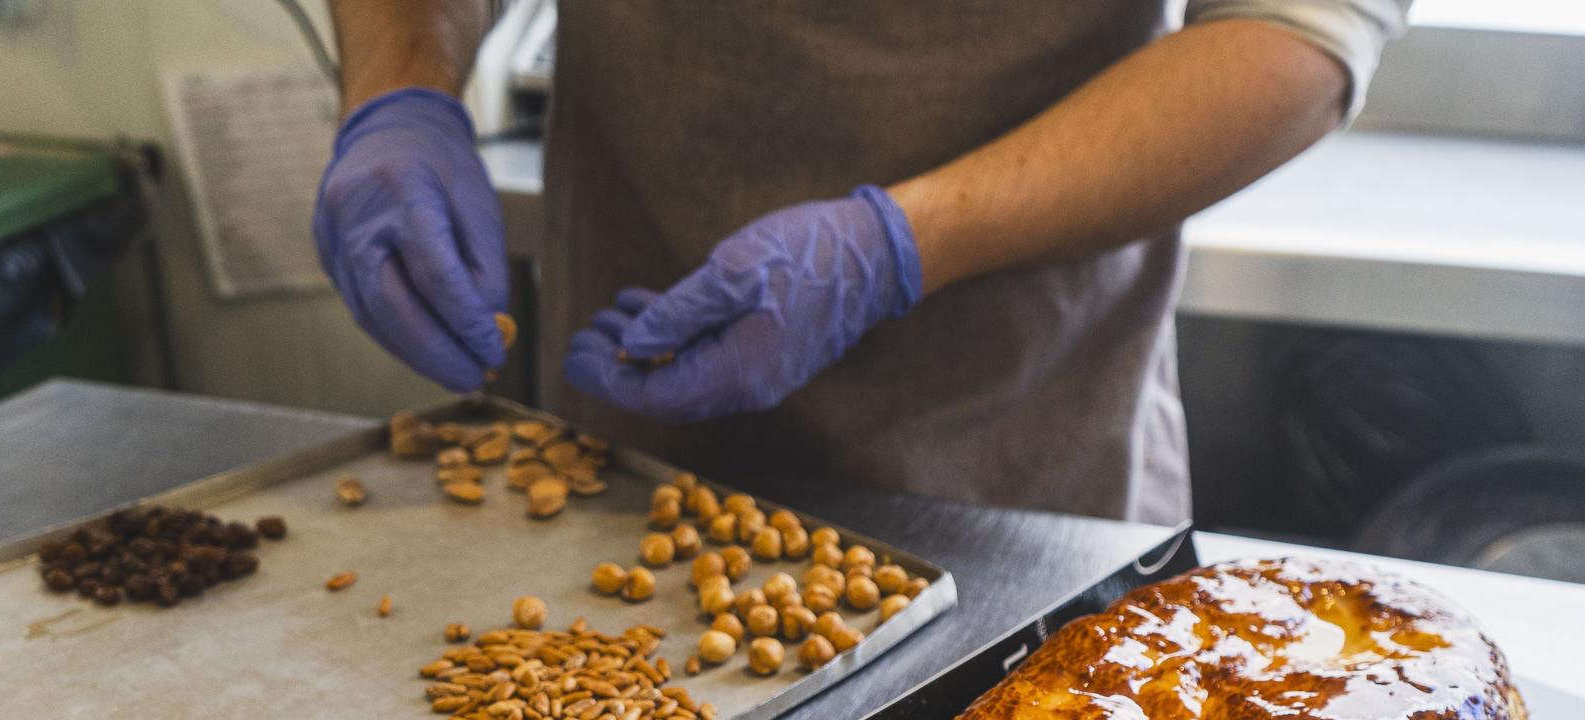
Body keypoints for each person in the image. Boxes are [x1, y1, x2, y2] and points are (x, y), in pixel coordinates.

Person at [315, 0, 1410, 527]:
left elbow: (1295, 35)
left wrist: (895, 246)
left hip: (1014, 446)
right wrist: (400, 85)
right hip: (624, 439)